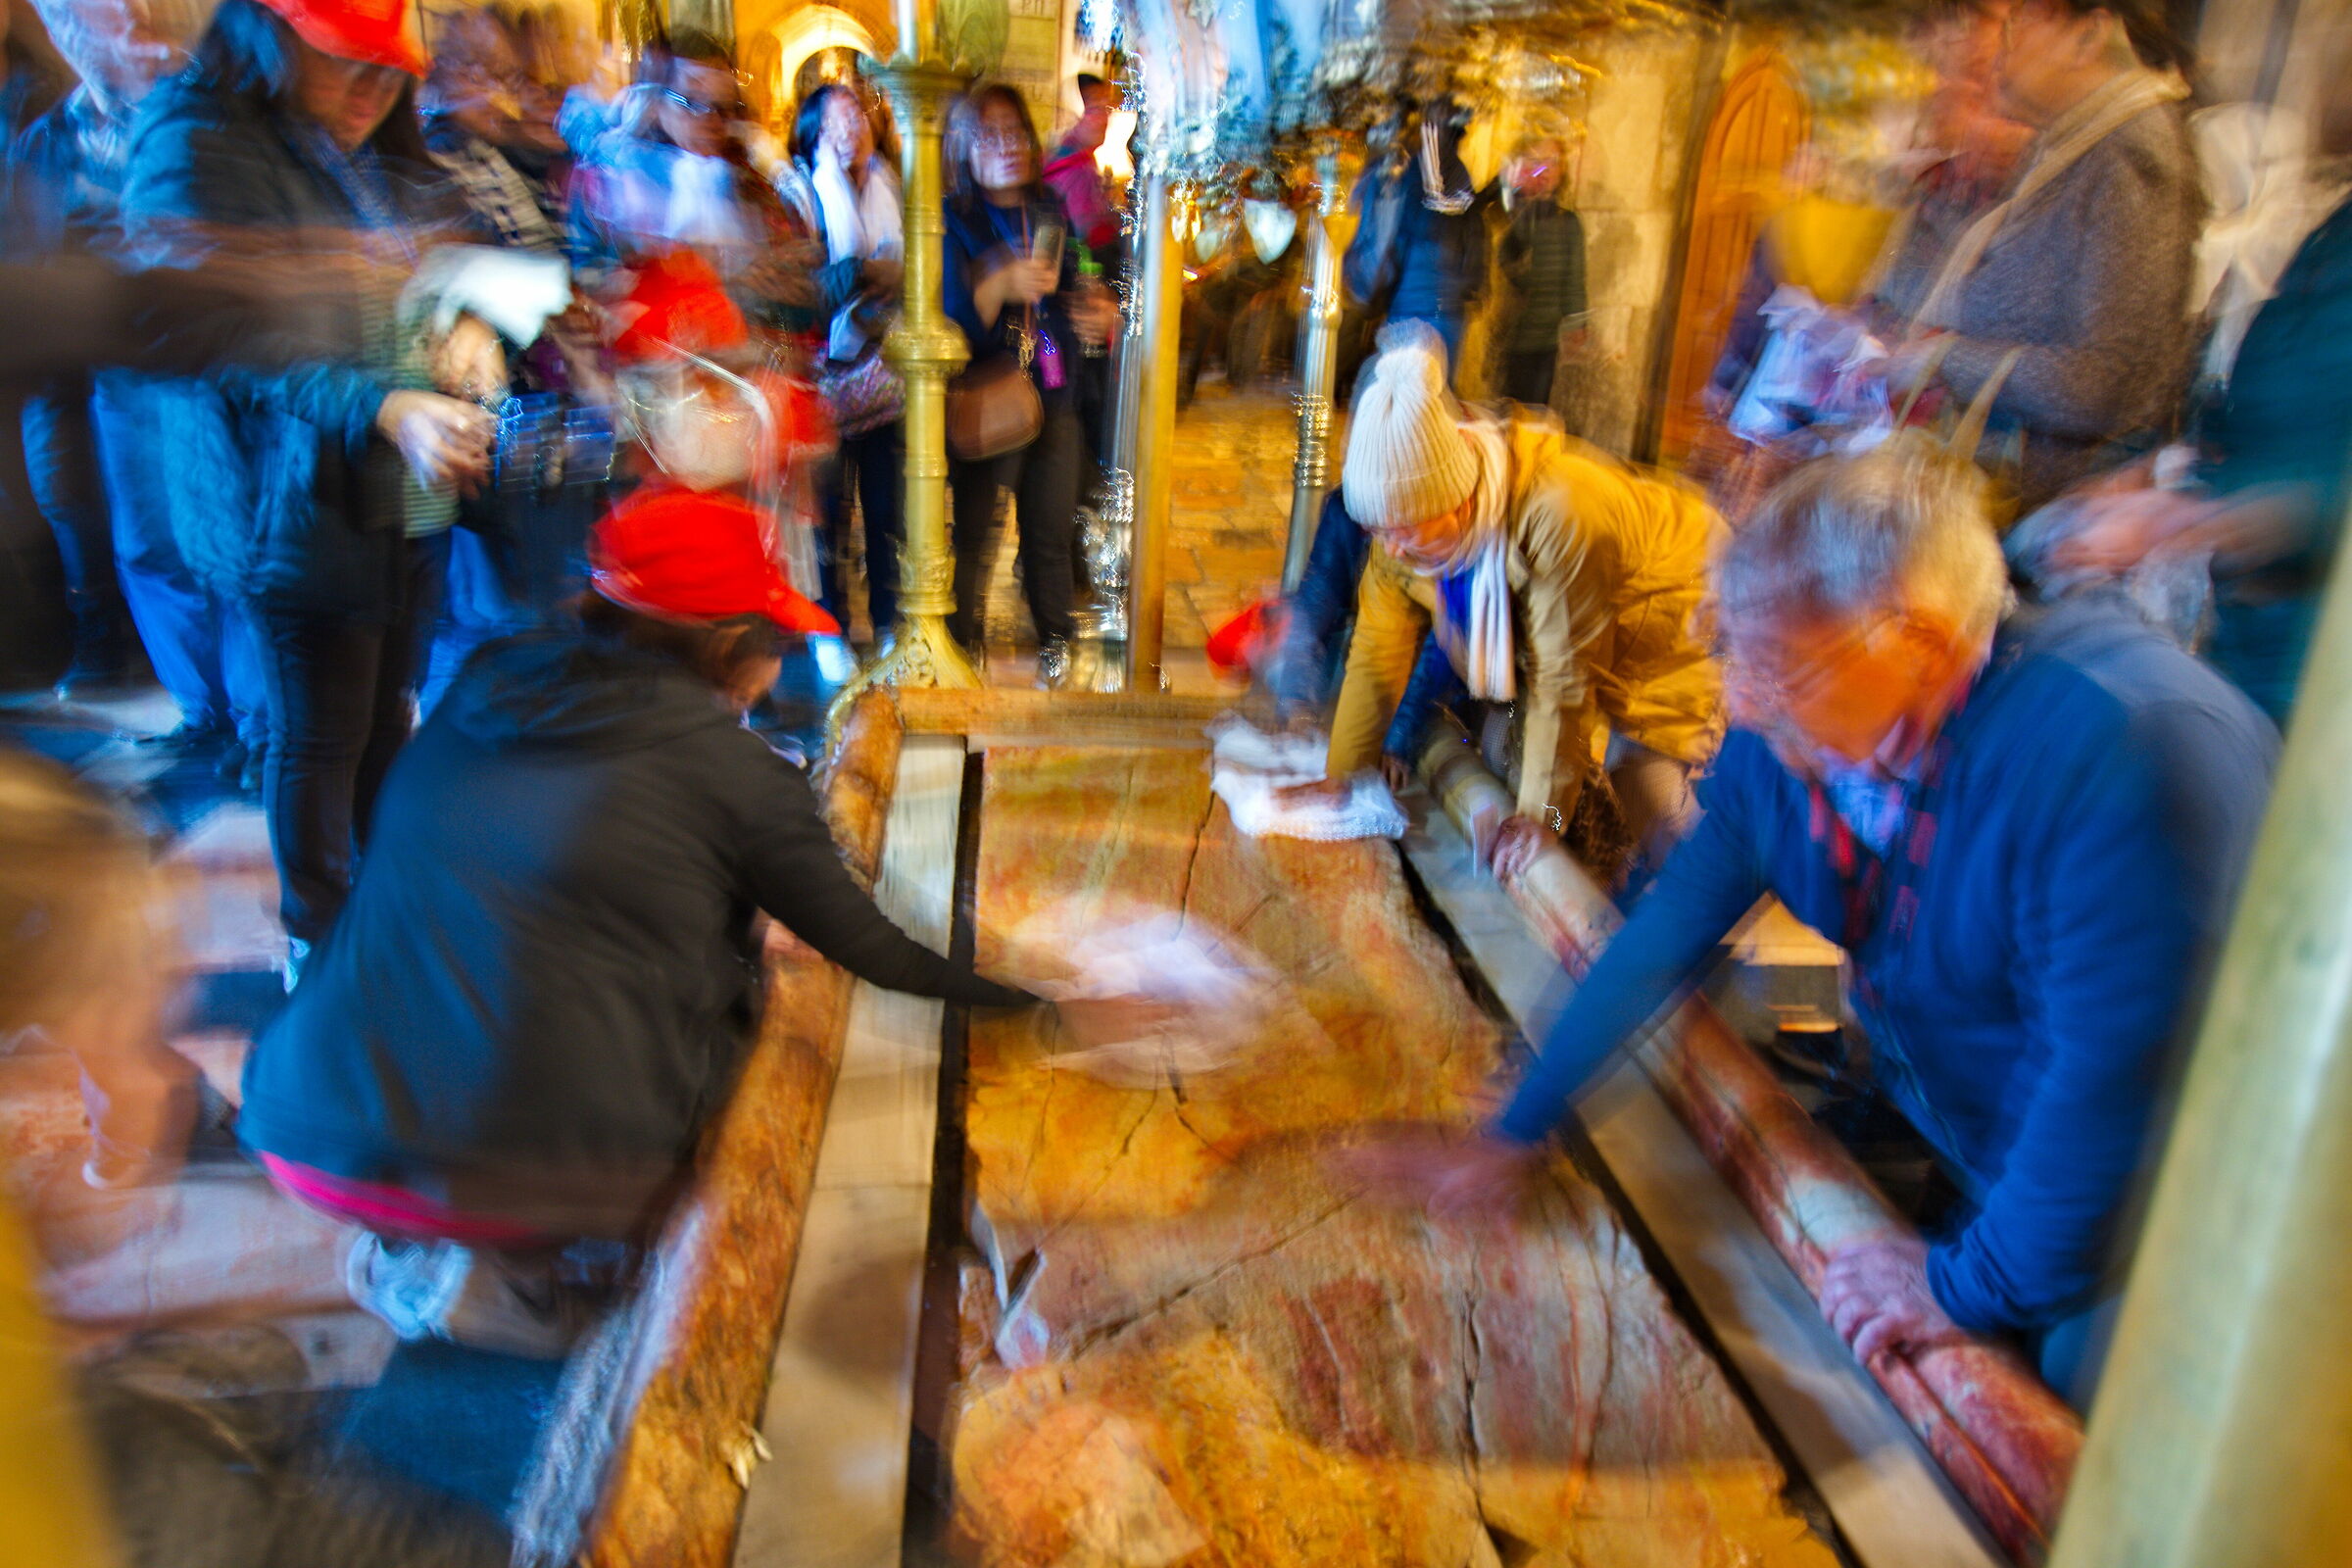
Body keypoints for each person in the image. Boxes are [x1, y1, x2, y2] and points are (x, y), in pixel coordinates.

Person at [1352, 441, 2275, 1406]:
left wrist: (1966, 1284)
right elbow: (1664, 932)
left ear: (1915, 640)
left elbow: (2109, 1083)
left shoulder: (2123, 752)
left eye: (1781, 667)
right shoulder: (1792, 743)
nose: (1742, 700)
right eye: (1736, 655)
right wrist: (1517, 1125)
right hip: (1972, 1106)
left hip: (2176, 1192)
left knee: (2092, 1396)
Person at [236, 488, 1039, 1355]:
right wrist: (1040, 1000)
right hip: (509, 1179)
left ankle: (420, 1250)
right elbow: (876, 950)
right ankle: (518, 1283)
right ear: (729, 646)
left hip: (303, 1122)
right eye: (775, 644)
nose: (779, 670)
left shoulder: (487, 677)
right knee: (743, 1022)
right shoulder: (732, 770)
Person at [121, 0, 500, 977]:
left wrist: (467, 323)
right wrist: (384, 406)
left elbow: (437, 261)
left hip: (405, 489)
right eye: (345, 61)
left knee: (389, 709)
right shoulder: (200, 135)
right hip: (294, 497)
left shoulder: (377, 147)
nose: (372, 89)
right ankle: (316, 937)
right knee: (319, 730)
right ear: (271, 35)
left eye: (389, 67)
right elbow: (223, 338)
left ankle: (377, 906)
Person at [1312, 324, 1723, 864]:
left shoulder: (1560, 515)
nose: (1390, 547)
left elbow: (1564, 681)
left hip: (1679, 625)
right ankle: (1597, 849)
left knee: (1649, 793)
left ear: (1457, 500)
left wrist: (1540, 820)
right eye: (1377, 530)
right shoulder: (1404, 530)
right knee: (1502, 749)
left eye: (1403, 529)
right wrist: (1343, 776)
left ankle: (1711, 881)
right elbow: (1375, 652)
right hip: (1577, 648)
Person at [2043, 49, 2352, 729]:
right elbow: (2265, 409)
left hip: (2313, 688)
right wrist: (2160, 471)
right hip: (2252, 646)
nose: (2336, 74)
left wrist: (2185, 518)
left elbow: (2330, 494)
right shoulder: (2336, 232)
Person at [1887, 0, 2201, 513]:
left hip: (2050, 507)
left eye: (2021, 24)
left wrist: (1942, 359)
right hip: (1989, 482)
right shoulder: (2069, 145)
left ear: (2089, 35)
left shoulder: (2131, 155)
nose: (2002, 49)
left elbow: (2102, 385)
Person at [940, 82, 1120, 678]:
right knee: (976, 540)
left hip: (1053, 388)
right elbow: (948, 324)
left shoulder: (1047, 205)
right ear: (964, 147)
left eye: (1015, 132)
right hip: (990, 396)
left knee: (1050, 531)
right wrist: (996, 285)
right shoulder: (955, 218)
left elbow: (1069, 283)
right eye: (989, 135)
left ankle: (1056, 646)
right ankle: (962, 651)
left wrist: (1092, 303)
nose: (1007, 145)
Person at [785, 79, 906, 641]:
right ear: (813, 135)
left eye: (856, 115)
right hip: (823, 382)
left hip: (884, 377)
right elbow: (799, 294)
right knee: (826, 516)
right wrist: (861, 272)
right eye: (835, 120)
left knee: (886, 513)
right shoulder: (801, 196)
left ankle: (887, 624)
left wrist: (899, 278)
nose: (850, 128)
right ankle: (830, 628)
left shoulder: (890, 184)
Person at [1342, 99, 1487, 369]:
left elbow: (1387, 240)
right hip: (1442, 310)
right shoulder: (1453, 171)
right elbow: (1472, 237)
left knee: (1406, 387)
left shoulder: (1401, 171)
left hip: (1410, 307)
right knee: (1432, 389)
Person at [1494, 134, 1587, 410]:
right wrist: (1524, 282)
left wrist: (1577, 321)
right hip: (1515, 331)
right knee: (1508, 404)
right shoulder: (1517, 211)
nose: (1545, 170)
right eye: (1537, 162)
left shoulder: (1568, 222)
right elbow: (1505, 255)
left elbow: (1574, 277)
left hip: (1546, 336)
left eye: (1552, 162)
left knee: (1536, 406)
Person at [1042, 72, 1122, 276]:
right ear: (1073, 113)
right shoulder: (1067, 167)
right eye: (1094, 109)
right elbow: (1088, 240)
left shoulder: (1081, 160)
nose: (1105, 119)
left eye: (1107, 108)